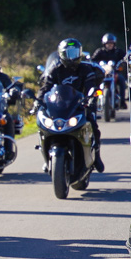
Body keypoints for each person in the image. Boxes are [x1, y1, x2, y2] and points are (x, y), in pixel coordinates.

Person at [35, 38, 105, 172]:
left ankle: (97, 157)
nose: (72, 57)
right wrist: (38, 101)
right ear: (62, 54)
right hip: (61, 105)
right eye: (69, 53)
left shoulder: (86, 69)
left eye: (75, 52)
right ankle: (47, 157)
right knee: (45, 127)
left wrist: (90, 97)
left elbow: (91, 86)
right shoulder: (56, 69)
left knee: (93, 125)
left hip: (83, 104)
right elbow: (46, 87)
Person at [91, 33, 128, 109]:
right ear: (104, 44)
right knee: (92, 82)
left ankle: (122, 102)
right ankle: (92, 102)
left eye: (111, 43)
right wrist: (94, 63)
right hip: (102, 73)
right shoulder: (99, 51)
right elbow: (93, 60)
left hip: (115, 73)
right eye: (108, 43)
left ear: (114, 44)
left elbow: (125, 58)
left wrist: (123, 62)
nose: (110, 45)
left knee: (121, 80)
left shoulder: (118, 51)